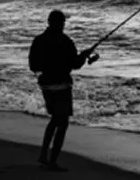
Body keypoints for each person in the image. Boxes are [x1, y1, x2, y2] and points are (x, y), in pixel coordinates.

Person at [28, 10, 98, 171]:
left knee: (55, 119)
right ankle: (52, 162)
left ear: (48, 22)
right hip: (62, 87)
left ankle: (43, 154)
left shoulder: (38, 40)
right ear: (61, 23)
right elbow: (75, 65)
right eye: (64, 22)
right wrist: (85, 55)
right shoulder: (65, 41)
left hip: (46, 86)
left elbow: (33, 66)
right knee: (63, 122)